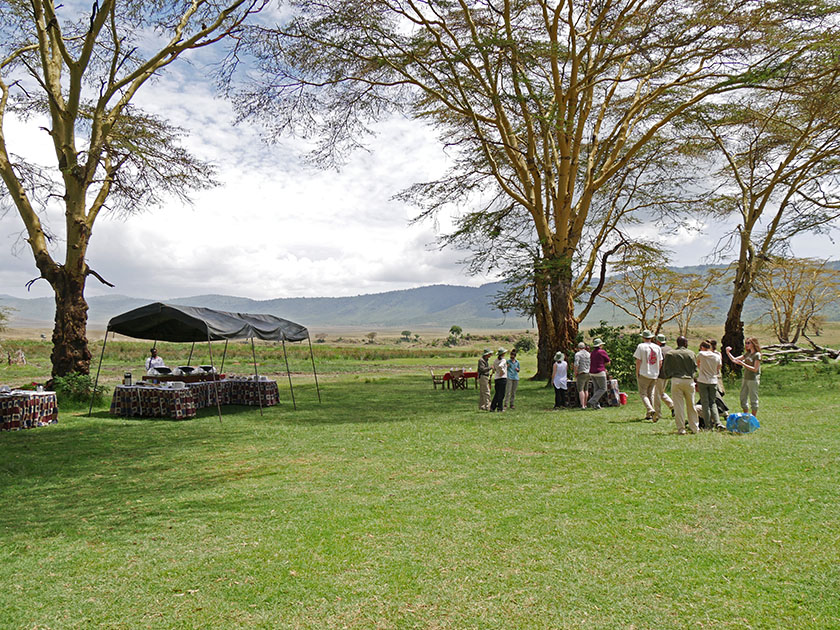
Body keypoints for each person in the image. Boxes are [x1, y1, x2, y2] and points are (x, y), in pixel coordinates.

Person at [660, 335, 699, 434]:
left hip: (676, 380)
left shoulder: (671, 354)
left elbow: (665, 368)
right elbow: (695, 368)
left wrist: (670, 375)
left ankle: (681, 429)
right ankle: (694, 427)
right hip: (689, 380)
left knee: (678, 406)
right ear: (686, 343)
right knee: (691, 405)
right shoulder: (691, 353)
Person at [726, 337, 762, 417]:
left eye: (748, 343)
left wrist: (743, 364)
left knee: (753, 398)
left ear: (753, 344)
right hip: (745, 378)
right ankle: (746, 415)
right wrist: (728, 352)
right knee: (743, 397)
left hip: (753, 379)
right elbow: (734, 360)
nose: (747, 345)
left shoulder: (757, 355)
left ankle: (753, 417)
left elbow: (755, 369)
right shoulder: (747, 354)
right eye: (746, 343)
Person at [633, 330, 662, 421]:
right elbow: (660, 361)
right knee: (651, 394)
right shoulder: (657, 347)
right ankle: (650, 415)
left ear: (643, 337)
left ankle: (650, 409)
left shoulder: (641, 346)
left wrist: (637, 372)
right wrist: (657, 371)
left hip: (644, 373)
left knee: (643, 393)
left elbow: (638, 361)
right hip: (654, 374)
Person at [697, 340, 725, 430]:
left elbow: (697, 363)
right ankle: (717, 422)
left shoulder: (701, 354)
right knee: (712, 403)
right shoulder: (716, 356)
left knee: (705, 403)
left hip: (702, 380)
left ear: (702, 348)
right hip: (713, 381)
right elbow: (719, 367)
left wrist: (701, 368)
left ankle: (708, 424)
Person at [653, 333, 675, 420]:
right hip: (668, 375)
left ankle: (658, 413)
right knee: (661, 393)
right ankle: (672, 406)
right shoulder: (670, 349)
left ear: (658, 341)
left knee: (657, 394)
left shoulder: (658, 350)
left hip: (660, 374)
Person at [588, 338, 611, 409]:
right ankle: (593, 400)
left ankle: (596, 405)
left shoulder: (592, 353)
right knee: (603, 388)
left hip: (592, 372)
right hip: (600, 372)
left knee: (596, 388)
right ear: (600, 345)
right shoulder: (602, 352)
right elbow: (608, 361)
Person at [573, 342, 591, 409]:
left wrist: (575, 372)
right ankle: (585, 404)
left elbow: (576, 364)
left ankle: (582, 405)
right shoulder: (588, 354)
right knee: (586, 389)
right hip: (588, 372)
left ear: (578, 348)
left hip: (581, 373)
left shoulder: (578, 354)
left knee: (580, 390)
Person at [490, 348, 508, 412]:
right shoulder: (503, 360)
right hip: (502, 378)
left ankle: (492, 407)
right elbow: (500, 366)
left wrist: (493, 373)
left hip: (496, 378)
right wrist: (502, 371)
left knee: (497, 393)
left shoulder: (495, 361)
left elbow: (494, 369)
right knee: (501, 394)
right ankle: (500, 408)